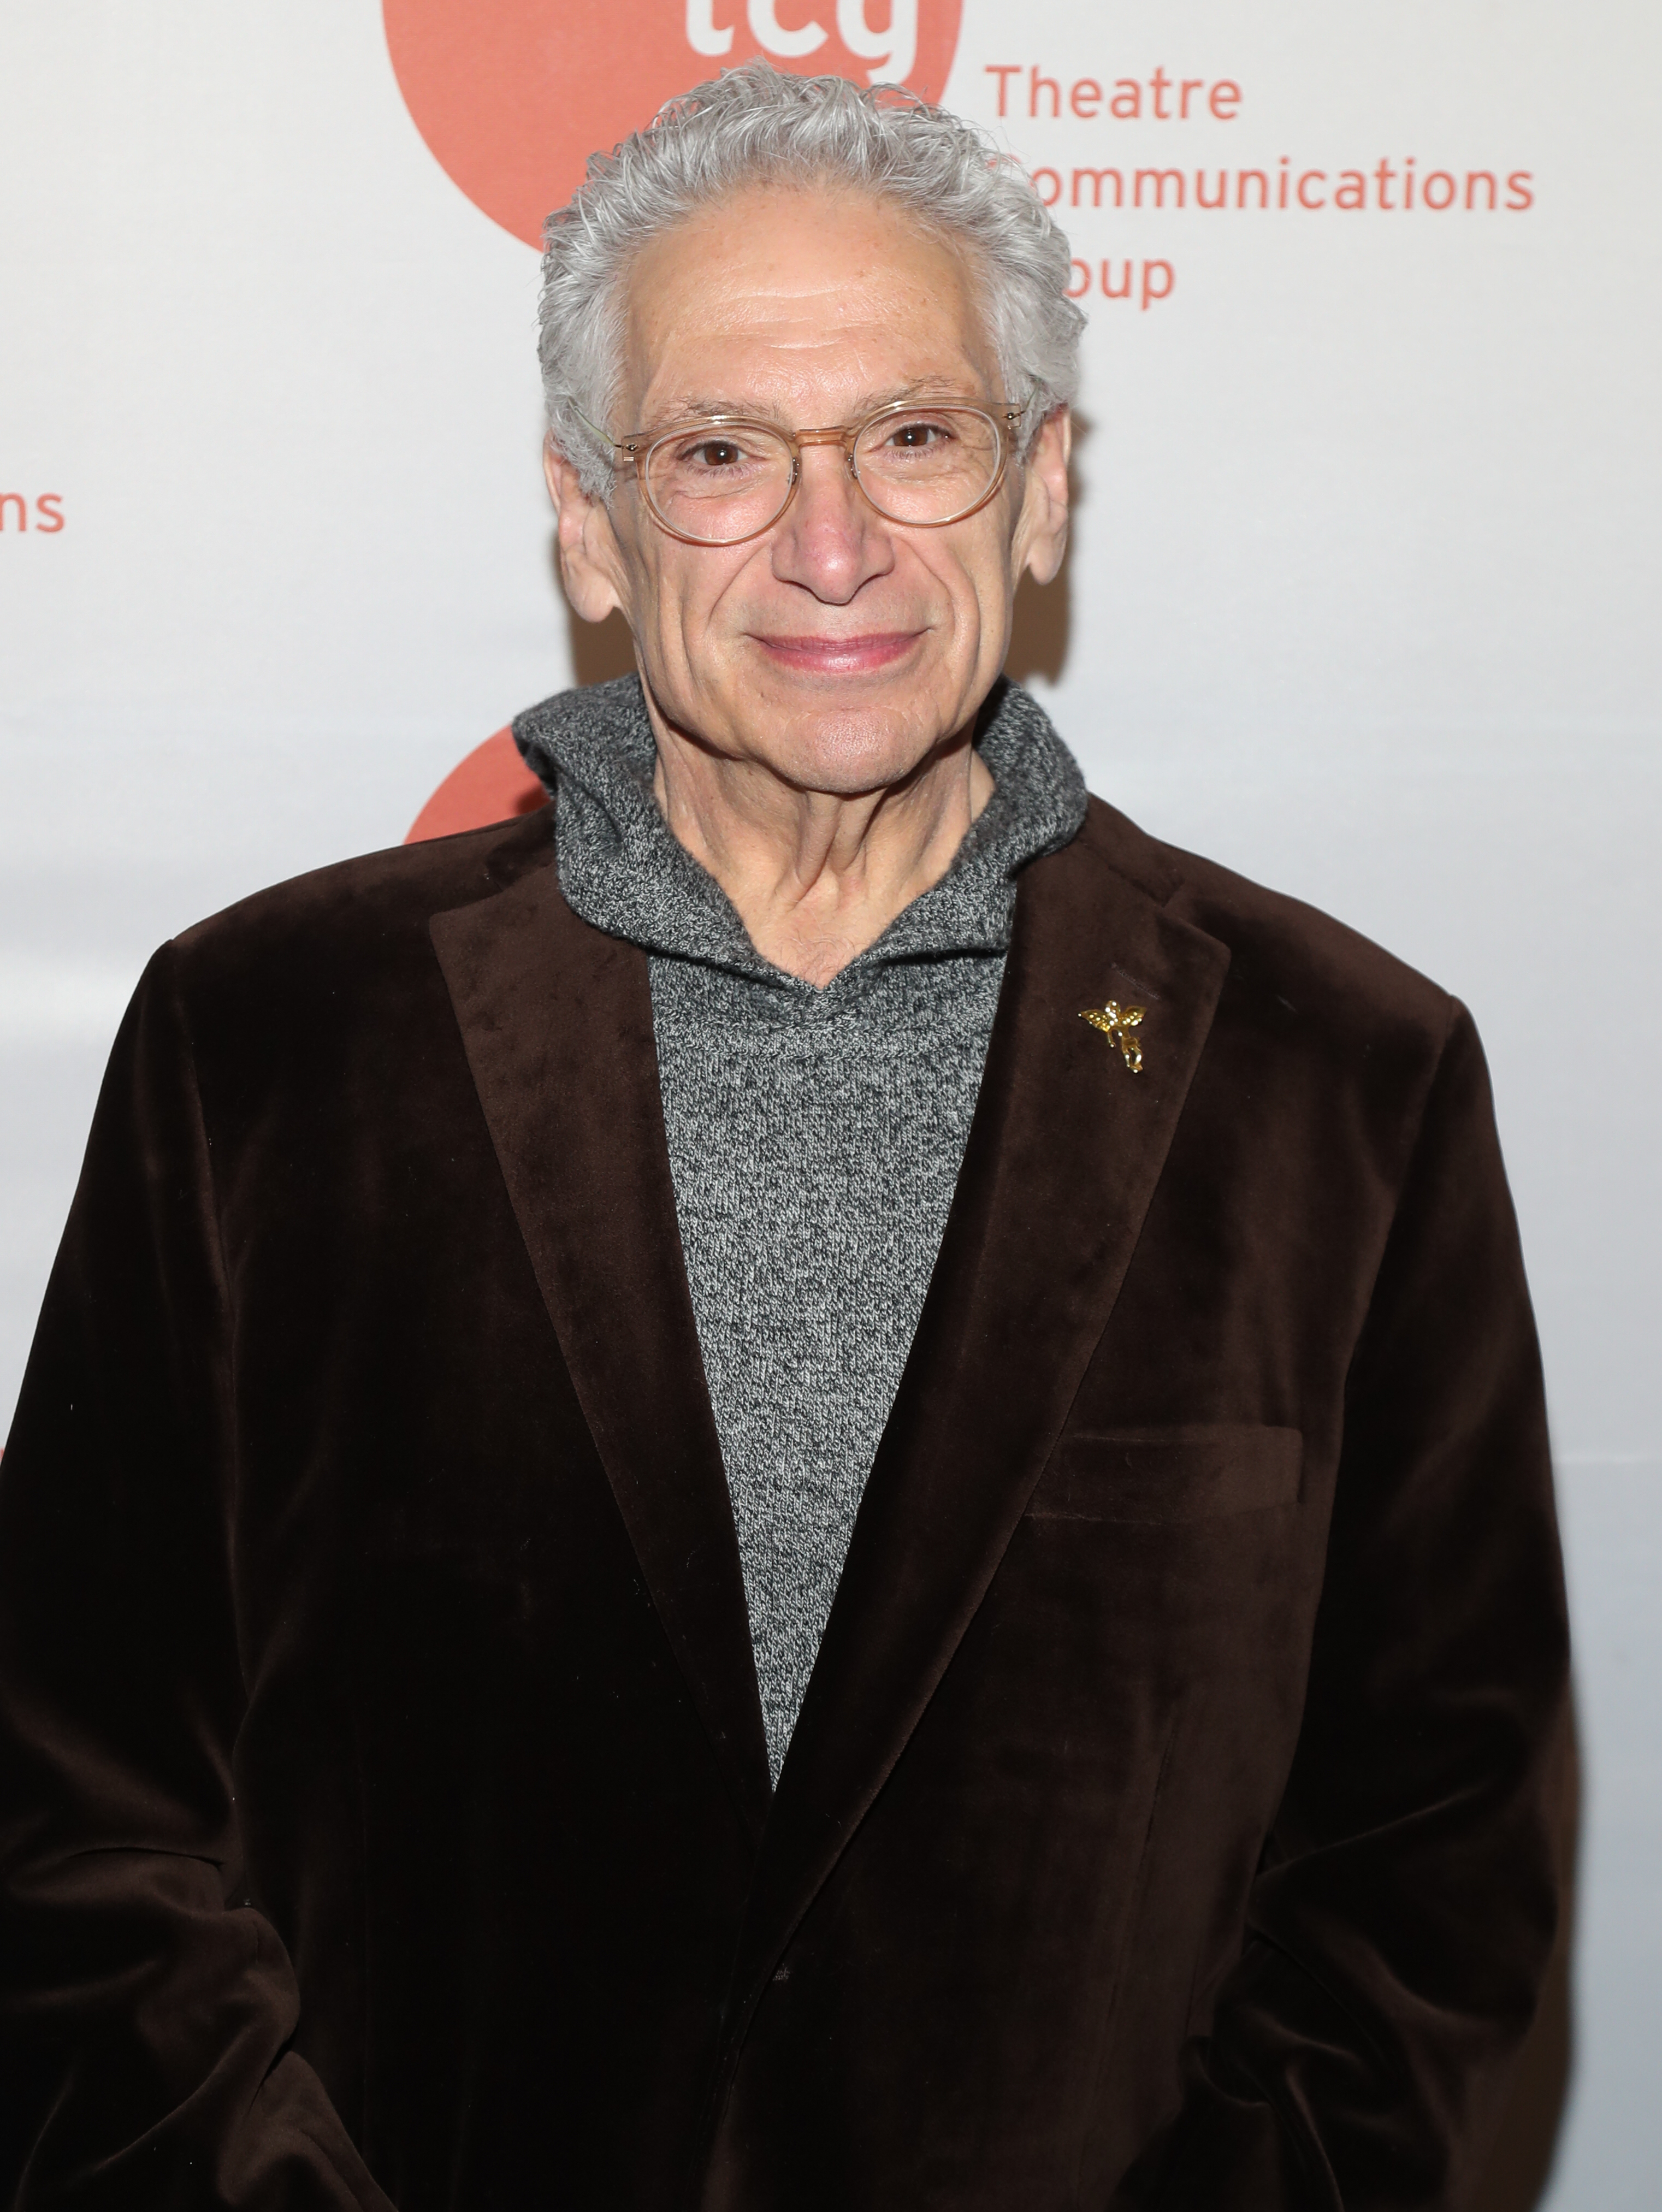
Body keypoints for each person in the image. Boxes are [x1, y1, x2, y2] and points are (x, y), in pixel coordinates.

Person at [0, 61, 1568, 2212]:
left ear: (1034, 490)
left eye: (909, 438)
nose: (829, 546)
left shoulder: (1340, 1080)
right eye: (721, 452)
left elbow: (1431, 1872)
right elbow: (71, 1805)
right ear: (588, 518)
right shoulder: (264, 1043)